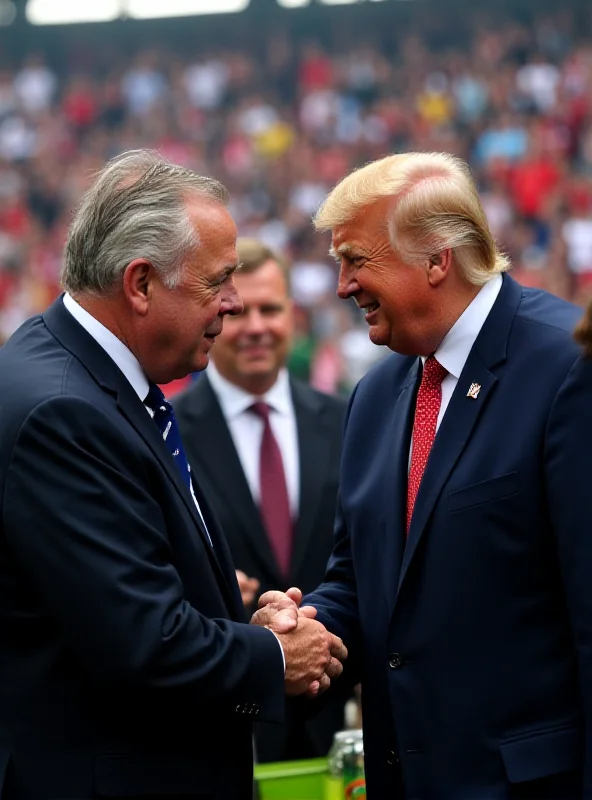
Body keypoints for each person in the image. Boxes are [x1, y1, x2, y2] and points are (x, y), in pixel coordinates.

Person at [0, 149, 346, 800]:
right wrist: (272, 657)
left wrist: (243, 616)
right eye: (218, 282)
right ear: (140, 283)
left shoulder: (93, 383)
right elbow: (144, 644)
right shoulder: (65, 413)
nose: (233, 304)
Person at [260, 151, 590, 798]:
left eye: (357, 260)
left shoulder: (565, 367)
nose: (341, 287)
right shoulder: (377, 393)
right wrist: (310, 627)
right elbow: (360, 578)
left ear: (438, 260)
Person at [174, 238, 349, 763]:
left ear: (292, 315)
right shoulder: (165, 432)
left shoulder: (347, 419)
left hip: (330, 716)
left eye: (270, 309)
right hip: (223, 728)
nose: (254, 327)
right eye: (239, 311)